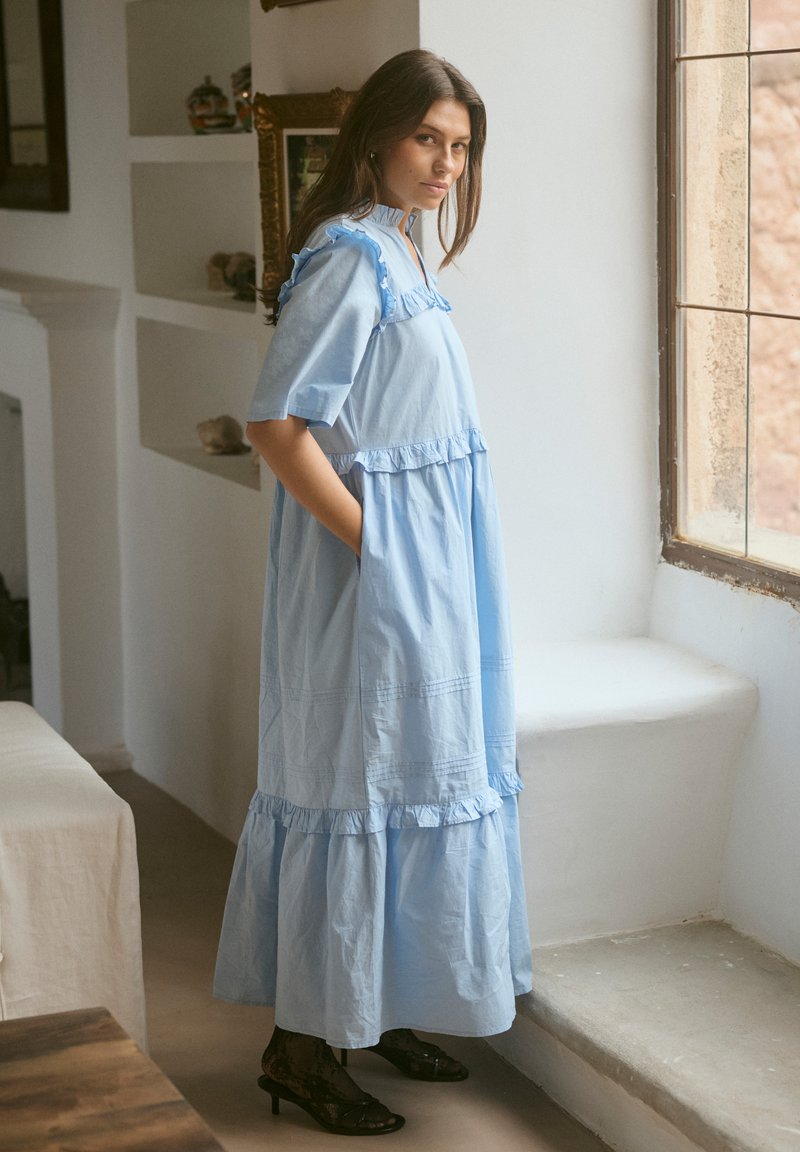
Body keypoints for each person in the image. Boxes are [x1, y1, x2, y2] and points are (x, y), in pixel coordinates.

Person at [213, 48, 532, 1137]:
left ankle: (377, 1002)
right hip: (376, 574)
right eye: (426, 139)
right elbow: (275, 426)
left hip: (426, 568)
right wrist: (378, 545)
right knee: (358, 778)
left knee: (417, 771)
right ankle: (301, 1049)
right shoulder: (350, 260)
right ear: (377, 139)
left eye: (460, 147)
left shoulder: (400, 248)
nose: (445, 164)